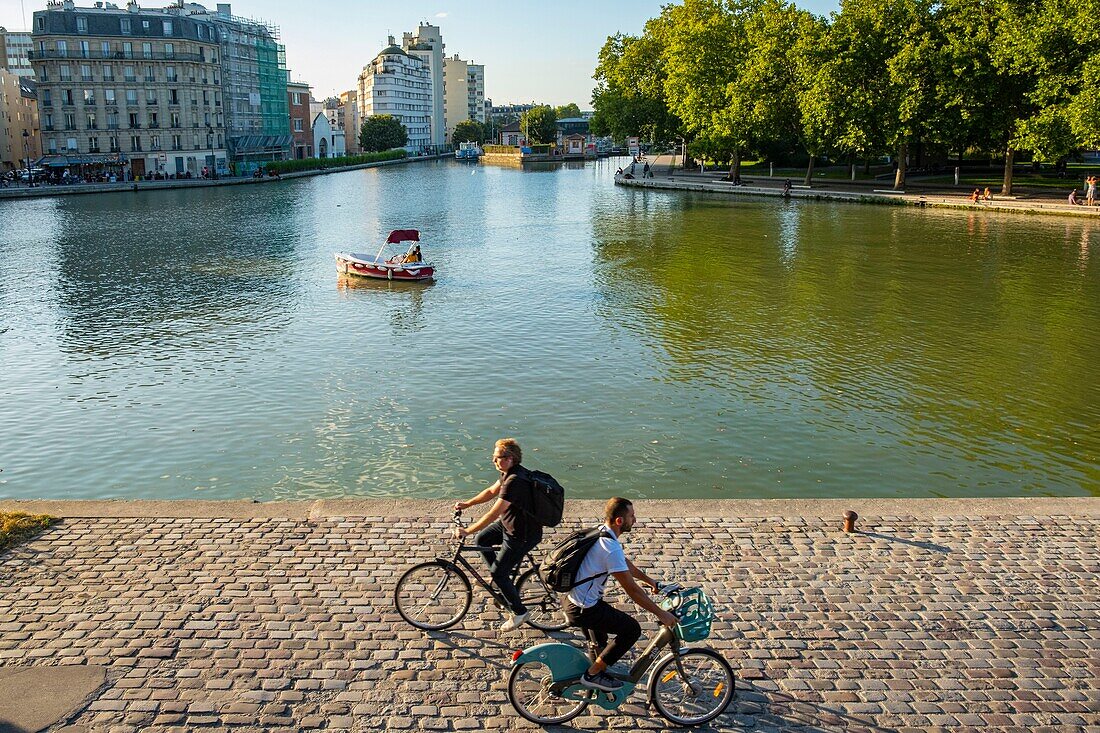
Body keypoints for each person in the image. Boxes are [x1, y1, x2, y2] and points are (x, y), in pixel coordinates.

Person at [564, 497, 678, 693]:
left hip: (574, 599)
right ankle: (592, 675)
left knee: (600, 645)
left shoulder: (601, 532)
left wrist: (651, 582)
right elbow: (632, 591)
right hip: (584, 608)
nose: (635, 519)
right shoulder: (611, 548)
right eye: (631, 516)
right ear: (619, 521)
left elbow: (625, 565)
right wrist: (661, 614)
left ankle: (597, 675)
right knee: (631, 629)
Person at [453, 439, 544, 632]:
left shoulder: (515, 481)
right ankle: (501, 586)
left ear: (510, 459)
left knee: (498, 572)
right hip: (509, 525)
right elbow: (490, 491)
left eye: (497, 458)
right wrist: (467, 504)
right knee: (482, 540)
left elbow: (493, 513)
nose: (494, 461)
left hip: (521, 534)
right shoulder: (507, 473)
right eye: (493, 457)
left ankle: (519, 612)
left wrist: (467, 531)